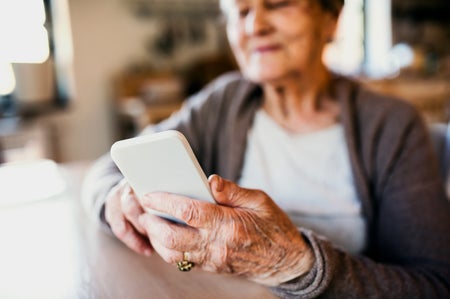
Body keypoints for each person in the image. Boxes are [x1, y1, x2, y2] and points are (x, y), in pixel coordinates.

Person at [82, 0, 450, 297]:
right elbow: (106, 168)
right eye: (240, 11)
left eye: (277, 4)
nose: (254, 26)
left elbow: (435, 284)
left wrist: (292, 264)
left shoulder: (391, 125)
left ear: (331, 19)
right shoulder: (225, 101)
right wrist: (117, 199)